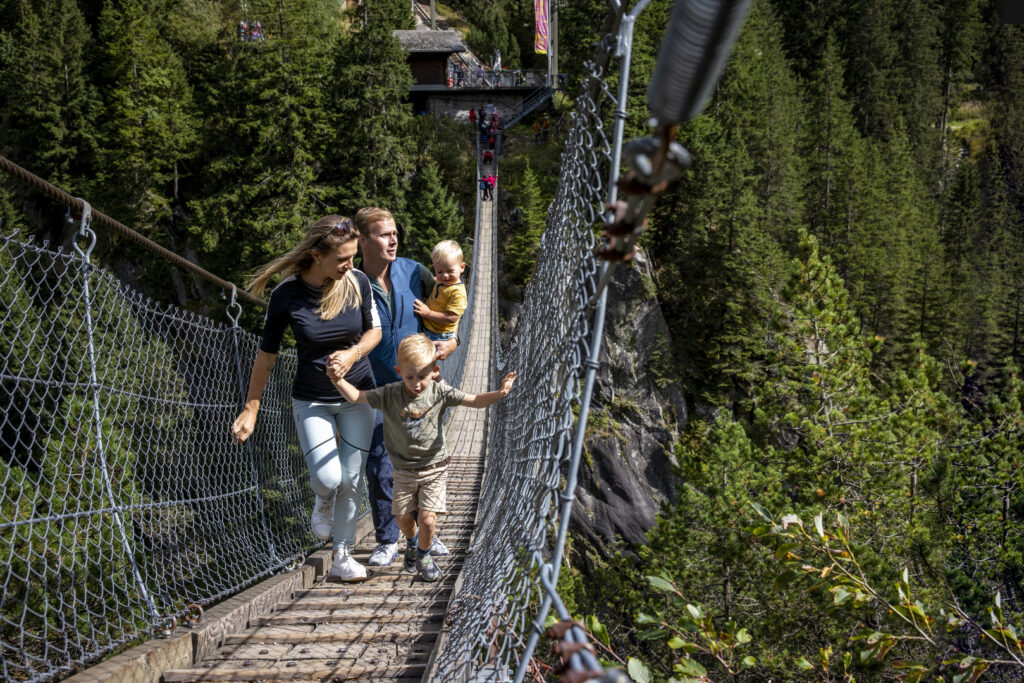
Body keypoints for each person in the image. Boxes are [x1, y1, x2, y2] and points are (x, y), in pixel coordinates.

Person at [230, 216, 381, 582]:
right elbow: (266, 355)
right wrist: (251, 407)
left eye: (352, 257)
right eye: (342, 258)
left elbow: (374, 331)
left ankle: (342, 556)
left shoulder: (357, 282)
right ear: (316, 255)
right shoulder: (286, 295)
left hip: (359, 395)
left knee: (351, 477)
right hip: (311, 398)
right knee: (329, 479)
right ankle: (322, 499)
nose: (350, 265)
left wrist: (353, 354)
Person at [329, 334, 517, 581]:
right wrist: (337, 379)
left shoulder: (440, 391)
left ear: (435, 370)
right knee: (403, 519)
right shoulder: (390, 394)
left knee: (428, 519)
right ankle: (413, 541)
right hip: (403, 471)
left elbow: (473, 400)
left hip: (434, 468)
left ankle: (424, 556)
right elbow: (356, 397)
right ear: (398, 371)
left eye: (423, 376)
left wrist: (500, 393)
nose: (417, 383)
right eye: (410, 377)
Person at [331, 207, 458, 567]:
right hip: (372, 385)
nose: (394, 239)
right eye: (384, 234)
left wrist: (454, 341)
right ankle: (387, 539)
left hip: (419, 382)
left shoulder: (413, 271)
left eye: (395, 233)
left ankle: (422, 537)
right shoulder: (348, 279)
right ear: (362, 239)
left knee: (420, 459)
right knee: (379, 464)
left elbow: (451, 306)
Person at [414, 240, 467, 347]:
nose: (445, 276)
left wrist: (428, 313)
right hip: (430, 327)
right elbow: (437, 282)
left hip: (438, 335)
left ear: (462, 267)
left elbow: (452, 318)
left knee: (424, 358)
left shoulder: (458, 293)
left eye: (450, 271)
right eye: (440, 272)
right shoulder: (442, 280)